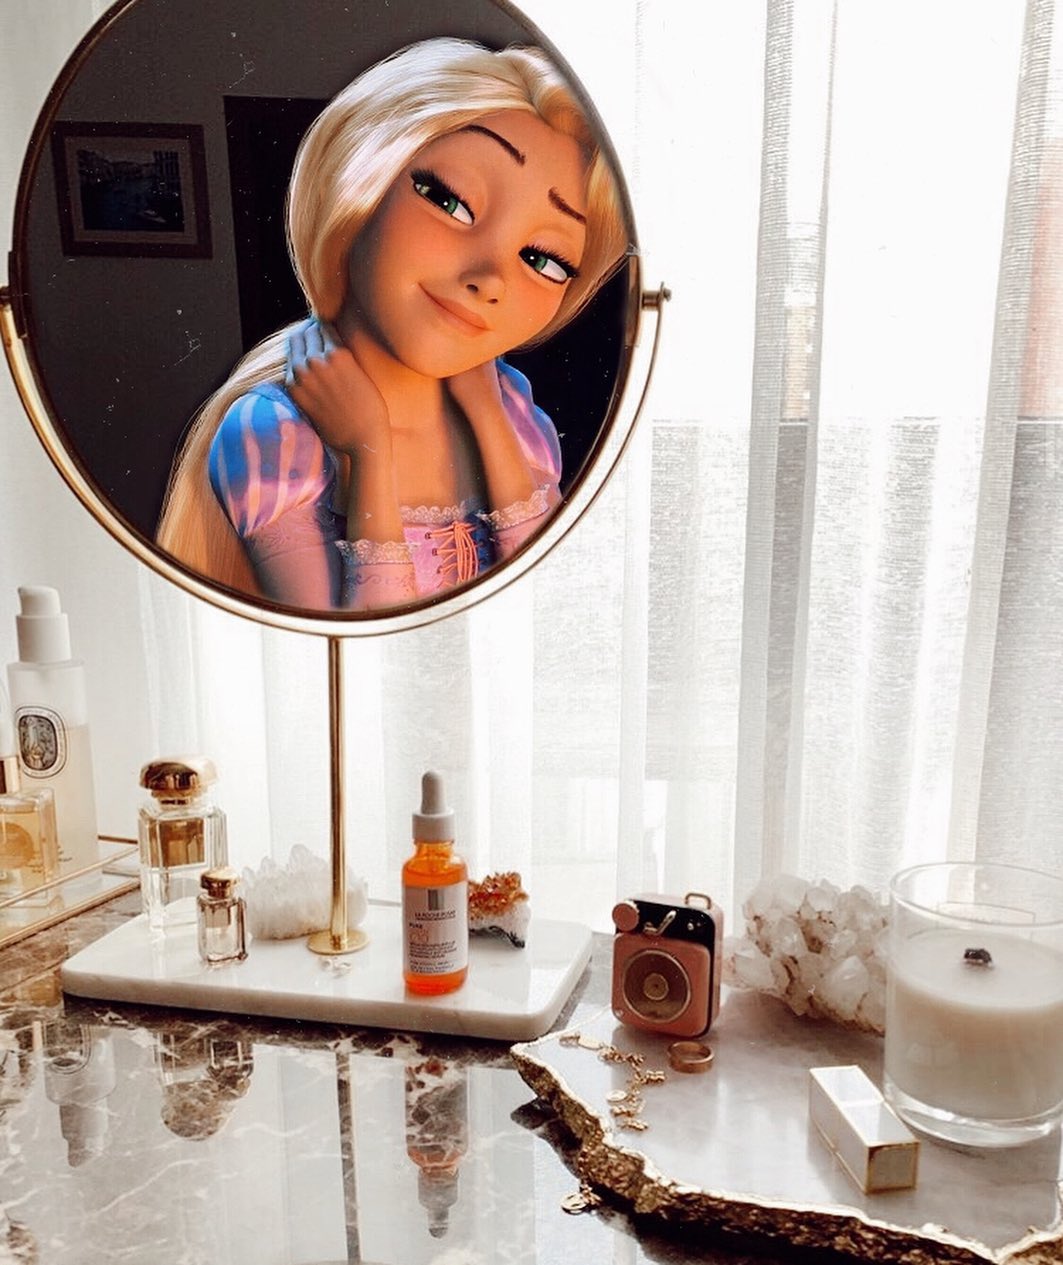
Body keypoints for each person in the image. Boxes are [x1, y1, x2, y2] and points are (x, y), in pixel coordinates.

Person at [157, 37, 629, 611]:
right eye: (451, 202)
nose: (490, 278)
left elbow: (550, 606)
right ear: (360, 183)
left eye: (544, 259)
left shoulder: (511, 409)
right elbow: (349, 637)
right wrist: (368, 455)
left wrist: (488, 418)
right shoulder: (277, 436)